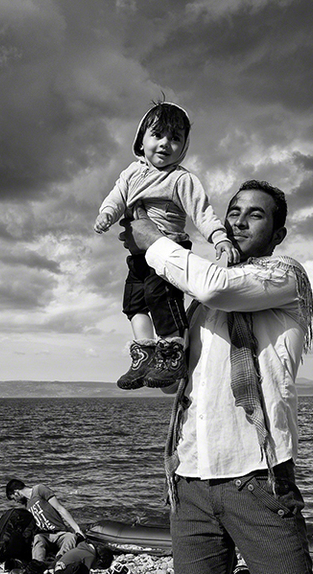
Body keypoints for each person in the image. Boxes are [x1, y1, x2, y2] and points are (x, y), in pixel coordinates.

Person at [119, 180, 313, 574]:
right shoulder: (199, 308)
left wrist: (153, 241)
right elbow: (177, 385)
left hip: (257, 478)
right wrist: (150, 339)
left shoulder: (283, 276)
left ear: (278, 234)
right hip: (189, 480)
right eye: (234, 212)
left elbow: (214, 285)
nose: (240, 222)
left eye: (255, 214)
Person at [94, 101, 238, 390]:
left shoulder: (180, 179)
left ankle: (172, 354)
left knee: (163, 303)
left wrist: (219, 237)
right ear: (141, 140)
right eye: (157, 135)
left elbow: (202, 212)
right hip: (137, 258)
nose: (165, 144)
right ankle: (144, 354)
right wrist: (107, 213)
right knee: (134, 305)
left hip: (169, 254)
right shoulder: (130, 173)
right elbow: (116, 196)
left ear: (184, 146)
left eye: (175, 138)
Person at [5, 479, 84, 564]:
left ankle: (59, 562)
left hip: (60, 532)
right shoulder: (27, 505)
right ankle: (37, 565)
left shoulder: (39, 490)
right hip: (45, 535)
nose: (16, 501)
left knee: (70, 537)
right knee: (38, 539)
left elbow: (60, 508)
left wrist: (77, 529)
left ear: (16, 492)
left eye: (14, 498)